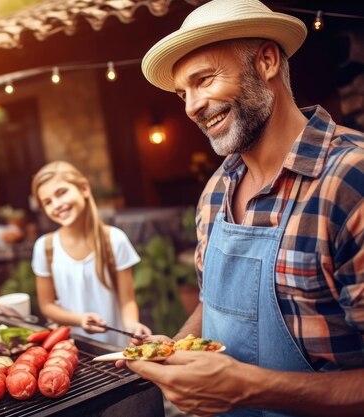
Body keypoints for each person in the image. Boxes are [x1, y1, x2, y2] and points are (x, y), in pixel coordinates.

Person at [120, 0, 364, 416]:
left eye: (205, 80)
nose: (191, 107)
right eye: (183, 92)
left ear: (267, 60)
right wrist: (178, 346)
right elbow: (211, 303)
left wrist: (249, 389)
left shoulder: (350, 180)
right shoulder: (215, 191)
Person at [31, 161, 151, 347]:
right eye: (47, 202)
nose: (57, 205)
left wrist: (132, 325)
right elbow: (47, 306)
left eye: (61, 193)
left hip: (116, 346)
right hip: (71, 349)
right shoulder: (44, 247)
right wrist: (79, 319)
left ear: (84, 189)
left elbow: (127, 300)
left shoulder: (114, 240)